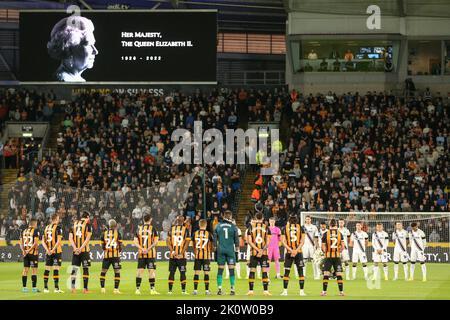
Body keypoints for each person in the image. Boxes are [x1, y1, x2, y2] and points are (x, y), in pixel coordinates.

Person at [47, 16, 98, 82]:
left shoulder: (76, 79)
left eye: (93, 44)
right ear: (69, 51)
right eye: (88, 44)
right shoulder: (64, 82)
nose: (95, 51)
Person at [246, 212, 272, 296]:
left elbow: (249, 241)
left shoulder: (250, 227)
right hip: (263, 253)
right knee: (264, 271)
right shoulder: (267, 228)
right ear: (263, 218)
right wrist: (261, 250)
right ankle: (266, 291)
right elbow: (268, 242)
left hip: (253, 253)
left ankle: (250, 291)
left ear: (255, 218)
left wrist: (257, 249)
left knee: (252, 270)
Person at [214, 211, 239, 295]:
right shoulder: (233, 226)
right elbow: (236, 239)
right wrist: (237, 248)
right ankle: (232, 289)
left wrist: (215, 247)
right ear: (230, 216)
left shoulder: (218, 225)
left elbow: (215, 238)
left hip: (221, 249)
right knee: (231, 269)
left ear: (223, 216)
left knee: (220, 269)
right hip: (230, 250)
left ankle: (219, 289)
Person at [134, 214, 159, 295]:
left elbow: (135, 242)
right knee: (151, 271)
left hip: (141, 254)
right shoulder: (153, 229)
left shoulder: (139, 229)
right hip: (150, 254)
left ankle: (137, 289)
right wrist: (148, 249)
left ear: (143, 219)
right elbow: (155, 242)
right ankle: (152, 290)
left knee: (139, 271)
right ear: (150, 219)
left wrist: (142, 249)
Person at [280, 215, 306, 296]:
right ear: (296, 221)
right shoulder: (301, 228)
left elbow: (283, 242)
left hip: (289, 252)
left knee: (287, 272)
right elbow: (302, 241)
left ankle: (285, 291)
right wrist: (296, 250)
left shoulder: (285, 228)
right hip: (298, 252)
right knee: (300, 272)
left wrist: (291, 250)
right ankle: (301, 291)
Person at [69, 211, 92, 293]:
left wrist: (75, 248)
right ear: (87, 217)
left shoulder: (74, 224)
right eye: (89, 218)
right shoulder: (88, 225)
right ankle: (85, 289)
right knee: (85, 269)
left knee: (74, 269)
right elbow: (87, 238)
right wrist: (81, 248)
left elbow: (70, 238)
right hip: (84, 251)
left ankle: (72, 288)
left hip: (75, 251)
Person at [320, 219, 345, 296]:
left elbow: (323, 247)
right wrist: (338, 251)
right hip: (337, 257)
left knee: (326, 274)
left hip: (328, 257)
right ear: (336, 225)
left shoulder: (325, 234)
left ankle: (324, 292)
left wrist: (325, 252)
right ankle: (341, 292)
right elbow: (343, 246)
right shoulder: (340, 234)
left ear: (329, 225)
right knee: (339, 274)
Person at [167, 215, 190, 295]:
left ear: (176, 221)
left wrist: (173, 251)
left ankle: (170, 291)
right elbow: (187, 243)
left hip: (173, 256)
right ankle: (183, 291)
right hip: (181, 256)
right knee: (183, 273)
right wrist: (181, 253)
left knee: (172, 272)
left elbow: (168, 242)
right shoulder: (186, 230)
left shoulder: (171, 229)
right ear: (183, 221)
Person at [42, 214, 64, 293]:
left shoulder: (46, 228)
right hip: (56, 251)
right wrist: (53, 250)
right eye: (58, 218)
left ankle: (45, 288)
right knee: (56, 269)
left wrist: (48, 250)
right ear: (56, 219)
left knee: (47, 269)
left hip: (48, 252)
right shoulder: (58, 228)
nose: (59, 220)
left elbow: (42, 241)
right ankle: (56, 288)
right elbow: (58, 241)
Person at [100, 219, 123, 294]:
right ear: (115, 226)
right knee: (117, 271)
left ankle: (102, 288)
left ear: (109, 225)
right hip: (115, 256)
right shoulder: (118, 233)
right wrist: (119, 252)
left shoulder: (104, 233)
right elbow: (120, 245)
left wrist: (106, 250)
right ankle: (116, 289)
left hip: (106, 256)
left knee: (103, 271)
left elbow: (102, 246)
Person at [192, 219, 213, 295]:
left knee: (196, 273)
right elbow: (211, 245)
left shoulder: (195, 233)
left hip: (197, 256)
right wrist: (210, 253)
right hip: (206, 256)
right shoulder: (209, 234)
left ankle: (195, 290)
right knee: (206, 273)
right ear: (206, 225)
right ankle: (207, 291)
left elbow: (193, 244)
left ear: (199, 225)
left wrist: (195, 251)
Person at [20, 218, 40, 293]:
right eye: (36, 224)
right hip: (33, 253)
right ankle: (34, 288)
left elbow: (21, 243)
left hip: (25, 254)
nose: (36, 225)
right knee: (34, 270)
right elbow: (35, 243)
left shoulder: (23, 231)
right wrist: (29, 250)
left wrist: (24, 251)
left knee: (25, 270)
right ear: (34, 224)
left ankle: (24, 288)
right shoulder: (35, 231)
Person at [302, 215, 319, 280]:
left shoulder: (314, 227)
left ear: (311, 220)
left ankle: (316, 275)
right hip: (304, 246)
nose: (308, 220)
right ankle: (303, 275)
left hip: (312, 246)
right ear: (305, 220)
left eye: (309, 219)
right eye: (307, 219)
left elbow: (316, 237)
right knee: (304, 261)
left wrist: (317, 246)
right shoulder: (302, 227)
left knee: (314, 261)